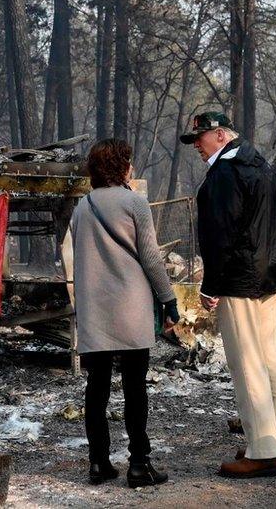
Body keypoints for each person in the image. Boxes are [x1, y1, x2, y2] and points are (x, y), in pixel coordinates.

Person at [180, 111, 276, 478]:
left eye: (201, 137)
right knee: (268, 359)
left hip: (240, 278)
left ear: (221, 135)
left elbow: (220, 237)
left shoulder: (224, 174)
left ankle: (262, 450)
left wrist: (211, 285)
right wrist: (264, 238)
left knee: (247, 363)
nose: (197, 145)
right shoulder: (256, 161)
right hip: (269, 273)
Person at [71, 138, 180, 488]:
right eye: (128, 162)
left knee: (96, 389)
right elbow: (150, 257)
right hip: (130, 307)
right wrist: (168, 298)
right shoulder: (135, 202)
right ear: (122, 166)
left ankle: (99, 463)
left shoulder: (82, 207)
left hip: (94, 311)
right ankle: (138, 464)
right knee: (135, 388)